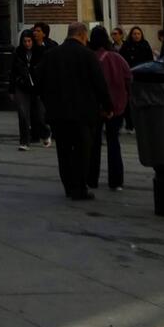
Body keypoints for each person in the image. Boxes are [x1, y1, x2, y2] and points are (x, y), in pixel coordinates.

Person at [40, 21, 113, 201]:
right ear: (82, 35)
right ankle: (79, 188)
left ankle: (68, 186)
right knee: (82, 151)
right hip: (83, 113)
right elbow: (99, 84)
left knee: (63, 151)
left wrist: (49, 104)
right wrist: (108, 106)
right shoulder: (87, 55)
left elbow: (41, 83)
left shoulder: (51, 55)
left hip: (58, 113)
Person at [87, 26, 132, 191]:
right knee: (114, 142)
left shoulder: (90, 58)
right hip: (117, 106)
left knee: (94, 143)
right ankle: (116, 181)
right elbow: (129, 78)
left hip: (95, 106)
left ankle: (92, 179)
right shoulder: (117, 58)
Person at [119, 26, 154, 132]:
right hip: (130, 77)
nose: (136, 36)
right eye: (134, 34)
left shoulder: (145, 45)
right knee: (129, 102)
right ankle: (130, 123)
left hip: (142, 77)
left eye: (138, 34)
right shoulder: (126, 46)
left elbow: (150, 61)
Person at [9, 30, 39, 150]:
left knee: (39, 115)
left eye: (29, 41)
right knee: (22, 113)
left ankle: (44, 132)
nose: (27, 44)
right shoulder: (17, 53)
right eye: (25, 41)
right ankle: (24, 141)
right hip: (21, 86)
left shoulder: (38, 52)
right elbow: (12, 72)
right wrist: (11, 90)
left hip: (35, 87)